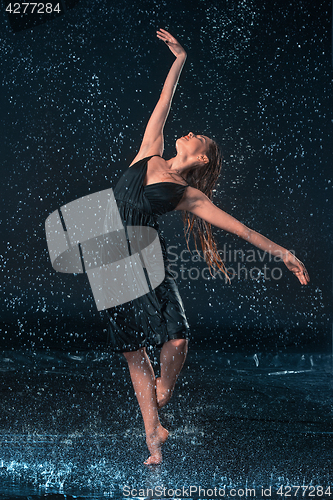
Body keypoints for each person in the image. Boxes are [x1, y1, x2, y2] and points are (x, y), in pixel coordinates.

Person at [105, 29, 310, 466]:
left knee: (176, 340)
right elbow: (165, 98)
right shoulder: (149, 150)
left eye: (200, 139)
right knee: (131, 351)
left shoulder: (189, 195)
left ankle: (162, 394)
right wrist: (179, 58)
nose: (192, 131)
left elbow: (243, 231)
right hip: (108, 253)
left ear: (201, 159)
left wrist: (284, 253)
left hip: (145, 255)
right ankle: (154, 435)